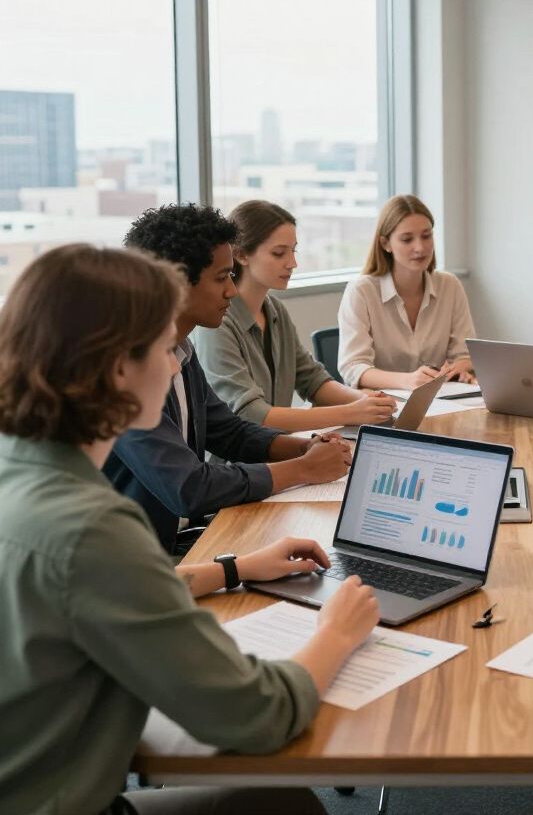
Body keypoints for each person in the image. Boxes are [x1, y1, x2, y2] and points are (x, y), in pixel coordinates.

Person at [0, 243, 380, 815]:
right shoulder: (94, 526)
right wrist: (336, 633)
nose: (176, 363)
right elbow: (256, 717)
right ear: (117, 368)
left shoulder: (20, 474)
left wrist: (233, 567)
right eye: (162, 347)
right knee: (282, 806)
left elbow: (76, 595)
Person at [105, 204, 352, 553]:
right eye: (222, 278)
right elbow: (189, 488)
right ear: (175, 284)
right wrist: (303, 469)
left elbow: (229, 432)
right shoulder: (126, 370)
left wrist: (303, 447)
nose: (232, 291)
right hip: (136, 559)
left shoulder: (181, 351)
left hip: (181, 539)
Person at [193, 199, 397, 433]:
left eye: (293, 250)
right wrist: (352, 411)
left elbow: (312, 380)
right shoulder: (218, 323)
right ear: (241, 255)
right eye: (279, 253)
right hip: (235, 464)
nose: (293, 263)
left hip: (275, 450)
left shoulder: (275, 310)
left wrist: (361, 399)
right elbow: (251, 414)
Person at [338, 194, 476, 390]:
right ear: (386, 244)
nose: (420, 247)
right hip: (383, 406)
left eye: (426, 236)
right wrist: (407, 381)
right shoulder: (361, 292)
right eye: (407, 239)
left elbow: (464, 355)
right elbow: (353, 367)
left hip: (440, 400)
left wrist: (459, 368)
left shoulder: (450, 286)